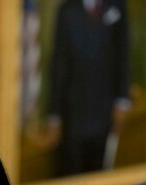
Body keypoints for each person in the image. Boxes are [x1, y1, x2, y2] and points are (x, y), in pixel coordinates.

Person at [47, 0, 130, 176]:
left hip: (105, 109)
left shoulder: (116, 5)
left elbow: (123, 56)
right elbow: (59, 64)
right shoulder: (67, 11)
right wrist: (54, 115)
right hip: (74, 113)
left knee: (103, 169)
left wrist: (122, 100)